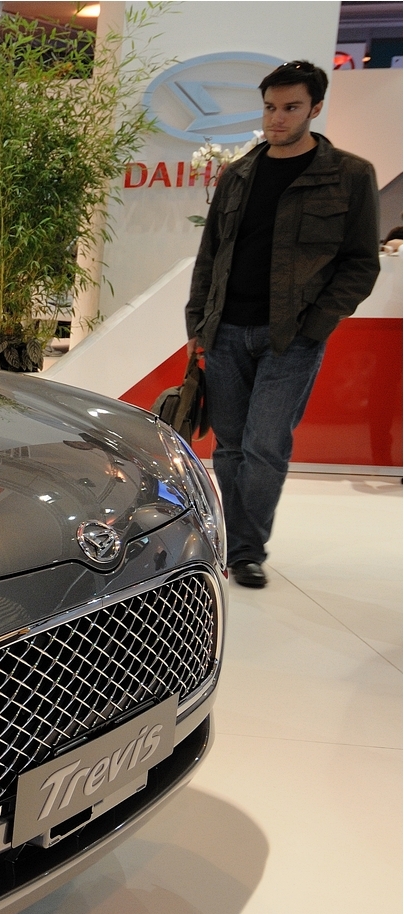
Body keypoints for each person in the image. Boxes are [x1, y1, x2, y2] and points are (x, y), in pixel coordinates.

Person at [186, 60, 379, 589]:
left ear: (315, 108)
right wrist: (198, 320)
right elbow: (211, 254)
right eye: (270, 107)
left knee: (265, 444)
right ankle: (234, 544)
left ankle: (247, 549)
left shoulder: (349, 175)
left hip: (291, 336)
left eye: (291, 107)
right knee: (228, 445)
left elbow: (361, 262)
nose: (277, 118)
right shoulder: (239, 174)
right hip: (226, 329)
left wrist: (318, 323)